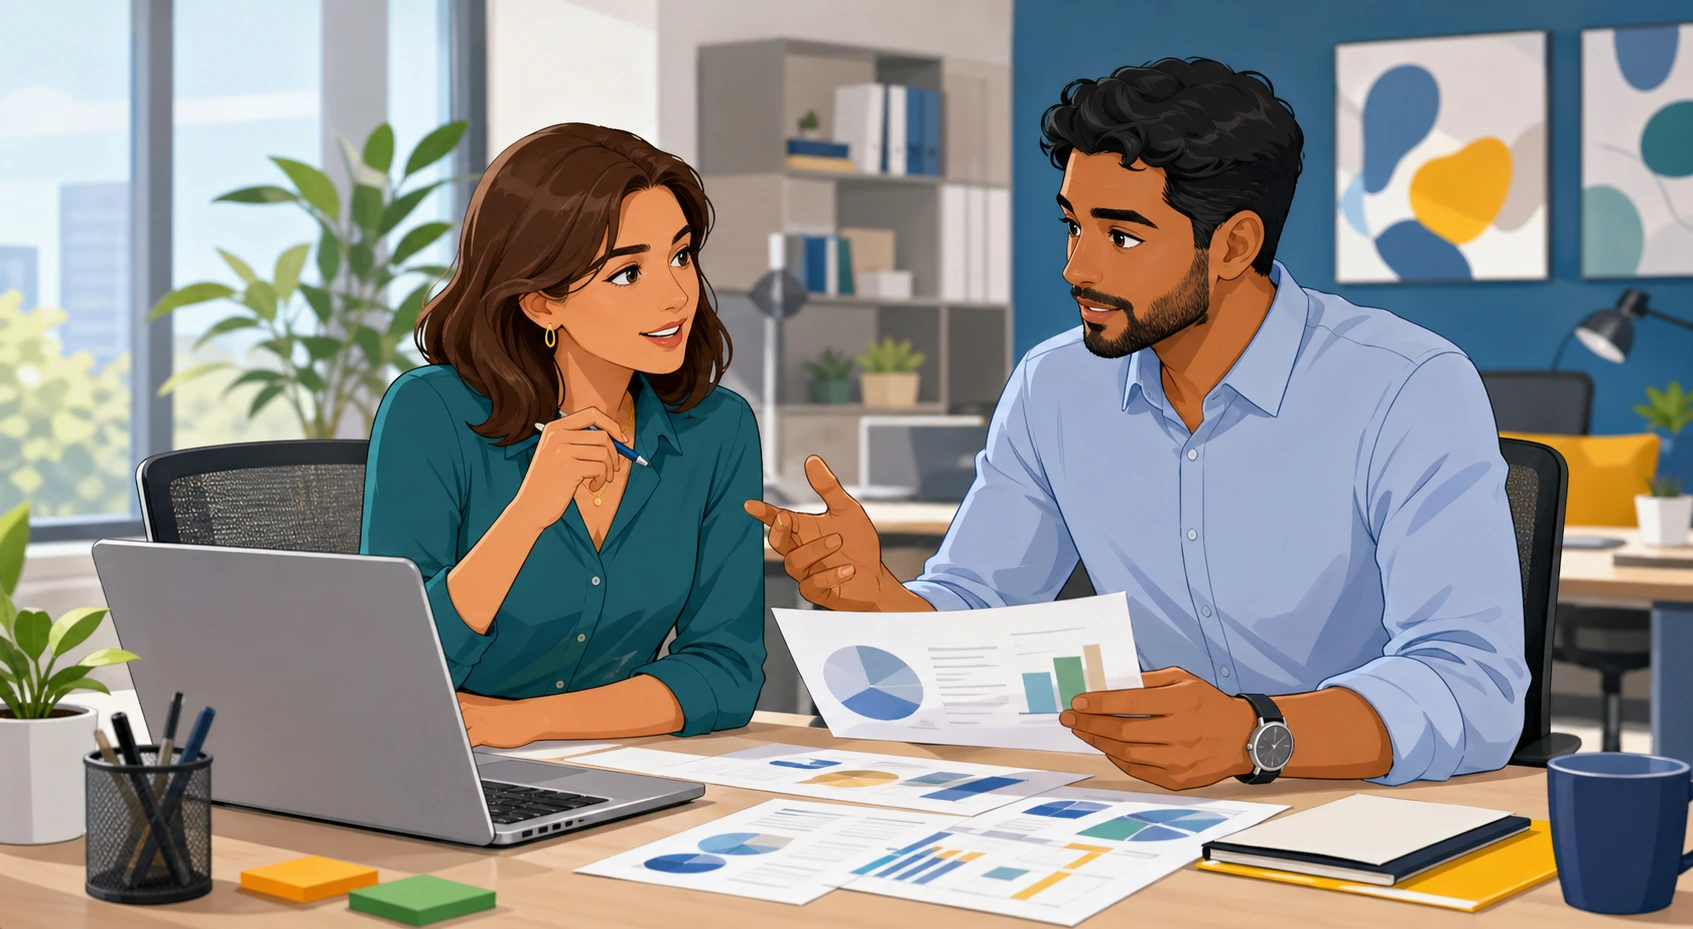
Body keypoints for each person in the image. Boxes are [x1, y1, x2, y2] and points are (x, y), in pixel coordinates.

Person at [746, 58, 1526, 790]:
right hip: (1140, 807)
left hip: (1352, 810)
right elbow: (978, 605)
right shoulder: (1054, 386)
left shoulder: (1405, 386)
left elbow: (1471, 683)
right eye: (1072, 226)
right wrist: (877, 594)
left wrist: (1251, 735)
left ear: (1233, 245)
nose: (1076, 267)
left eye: (1120, 236)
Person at [363, 123, 764, 749]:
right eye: (627, 274)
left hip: (623, 766)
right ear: (540, 302)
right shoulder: (431, 413)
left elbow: (726, 670)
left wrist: (531, 721)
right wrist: (527, 514)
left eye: (680, 256)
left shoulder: (718, 430)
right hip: (439, 761)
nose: (677, 295)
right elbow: (396, 662)